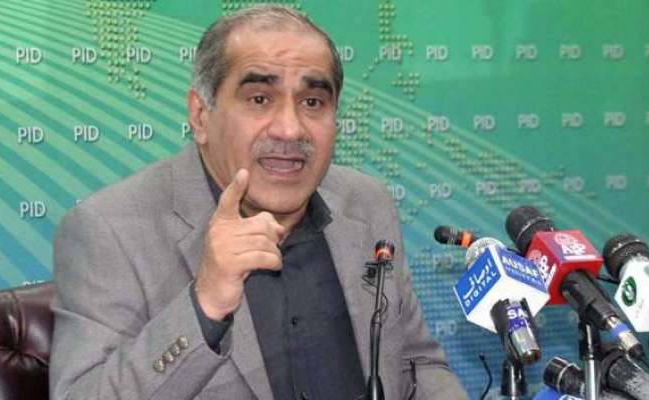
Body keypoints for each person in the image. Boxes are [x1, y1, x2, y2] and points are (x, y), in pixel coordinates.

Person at [50, 5, 468, 400]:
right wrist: (204, 305)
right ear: (200, 115)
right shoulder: (110, 230)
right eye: (259, 99)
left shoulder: (366, 203)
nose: (289, 129)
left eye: (312, 103)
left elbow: (417, 365)